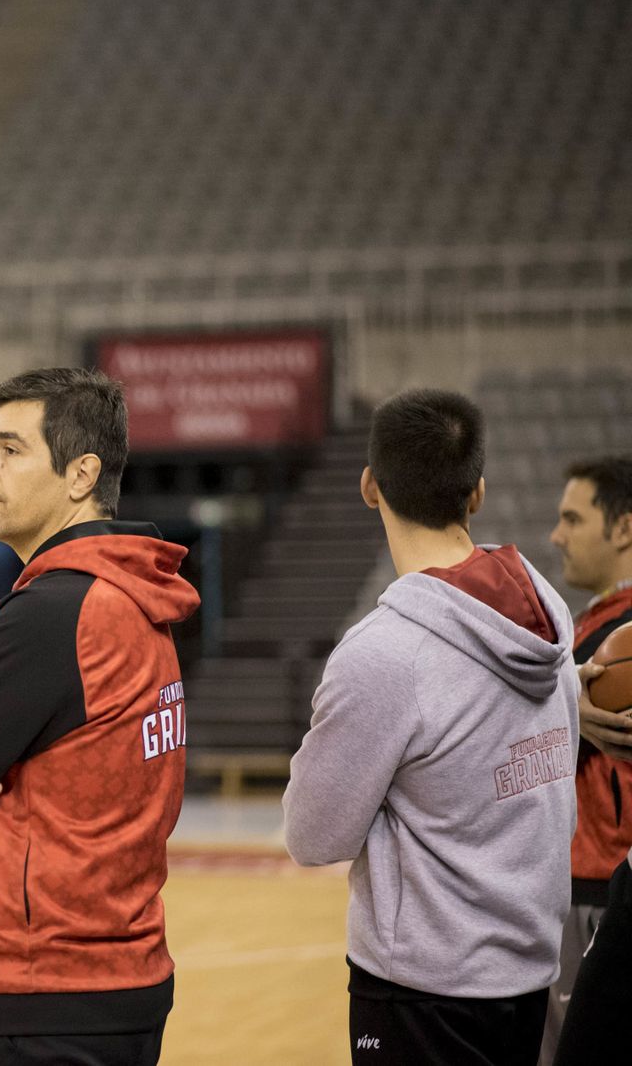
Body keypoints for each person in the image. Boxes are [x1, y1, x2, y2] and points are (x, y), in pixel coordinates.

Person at [0, 367, 199, 1066]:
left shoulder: (54, 614)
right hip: (113, 975)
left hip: (37, 993)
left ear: (80, 474)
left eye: (9, 448)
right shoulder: (133, 598)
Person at [284, 389, 577, 1066]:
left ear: (368, 487)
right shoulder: (546, 607)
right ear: (477, 492)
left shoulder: (384, 654)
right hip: (531, 971)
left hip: (424, 990)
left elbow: (311, 836)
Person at [539, 456, 632, 1065]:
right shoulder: (596, 625)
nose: (557, 534)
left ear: (623, 528)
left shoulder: (619, 642)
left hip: (598, 887)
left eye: (573, 518)